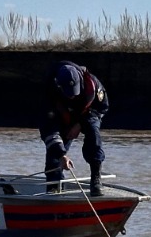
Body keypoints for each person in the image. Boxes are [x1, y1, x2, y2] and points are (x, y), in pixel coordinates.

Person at [41, 61, 109, 195]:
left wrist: (79, 124)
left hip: (87, 115)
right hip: (61, 117)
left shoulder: (93, 84)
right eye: (69, 93)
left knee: (93, 133)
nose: (73, 95)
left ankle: (96, 179)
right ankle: (54, 189)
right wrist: (62, 155)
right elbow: (48, 129)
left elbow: (102, 107)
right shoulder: (48, 94)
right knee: (54, 158)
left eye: (75, 92)